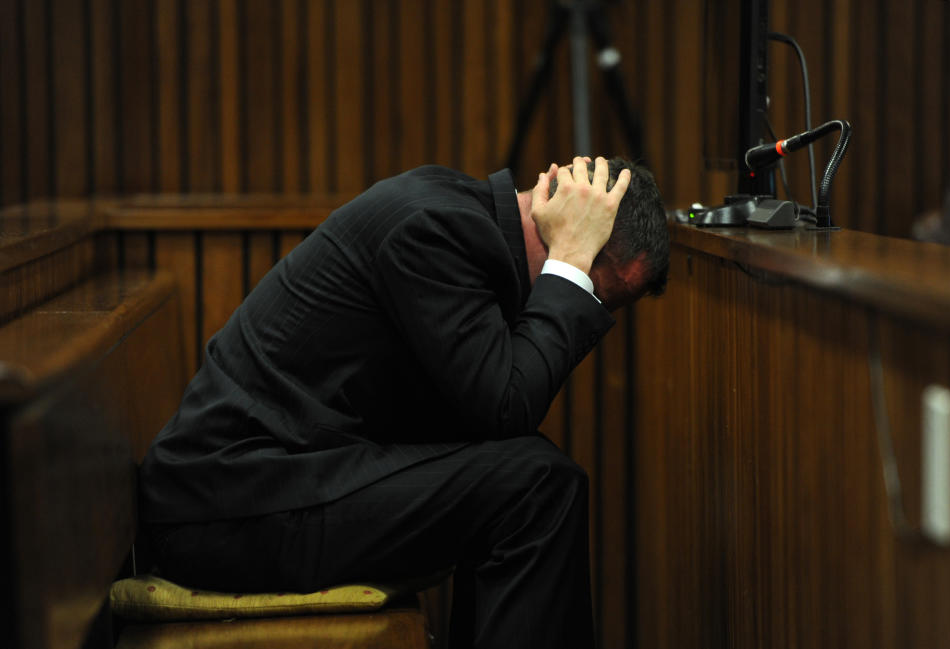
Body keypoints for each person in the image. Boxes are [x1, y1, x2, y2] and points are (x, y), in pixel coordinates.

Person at [138, 155, 669, 649]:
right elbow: (508, 405)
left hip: (283, 480)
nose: (585, 308)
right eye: (595, 294)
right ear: (574, 235)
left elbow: (484, 421)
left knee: (533, 478)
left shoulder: (464, 225)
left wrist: (571, 268)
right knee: (538, 488)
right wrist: (571, 266)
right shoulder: (436, 230)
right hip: (231, 505)